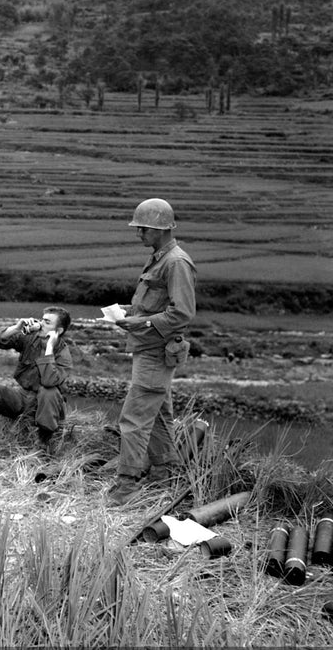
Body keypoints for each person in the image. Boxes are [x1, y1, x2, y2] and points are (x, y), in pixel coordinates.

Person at [106, 198, 196, 506]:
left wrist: (140, 322)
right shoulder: (161, 259)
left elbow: (182, 313)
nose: (138, 234)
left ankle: (126, 486)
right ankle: (164, 474)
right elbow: (154, 305)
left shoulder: (176, 263)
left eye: (143, 229)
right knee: (157, 415)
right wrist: (129, 313)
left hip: (156, 352)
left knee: (134, 419)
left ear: (160, 229)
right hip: (149, 348)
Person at [0, 307, 74, 461]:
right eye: (42, 320)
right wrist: (16, 328)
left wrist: (49, 347)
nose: (41, 324)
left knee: (48, 391)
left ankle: (42, 446)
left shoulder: (63, 354)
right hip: (24, 397)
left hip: (46, 406)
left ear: (59, 330)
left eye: (47, 322)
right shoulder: (31, 338)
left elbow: (49, 381)